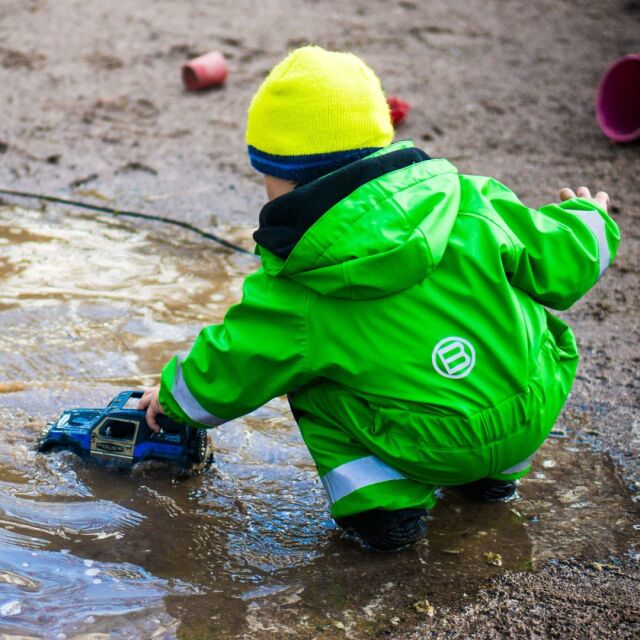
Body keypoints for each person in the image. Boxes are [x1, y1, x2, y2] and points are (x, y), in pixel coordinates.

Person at [138, 46, 620, 551]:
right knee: (515, 315)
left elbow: (235, 362)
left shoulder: (296, 284)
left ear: (278, 176)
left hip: (428, 444)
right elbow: (561, 259)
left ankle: (383, 511)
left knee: (304, 376)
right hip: (530, 410)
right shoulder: (472, 200)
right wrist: (591, 219)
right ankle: (491, 481)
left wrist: (171, 401)